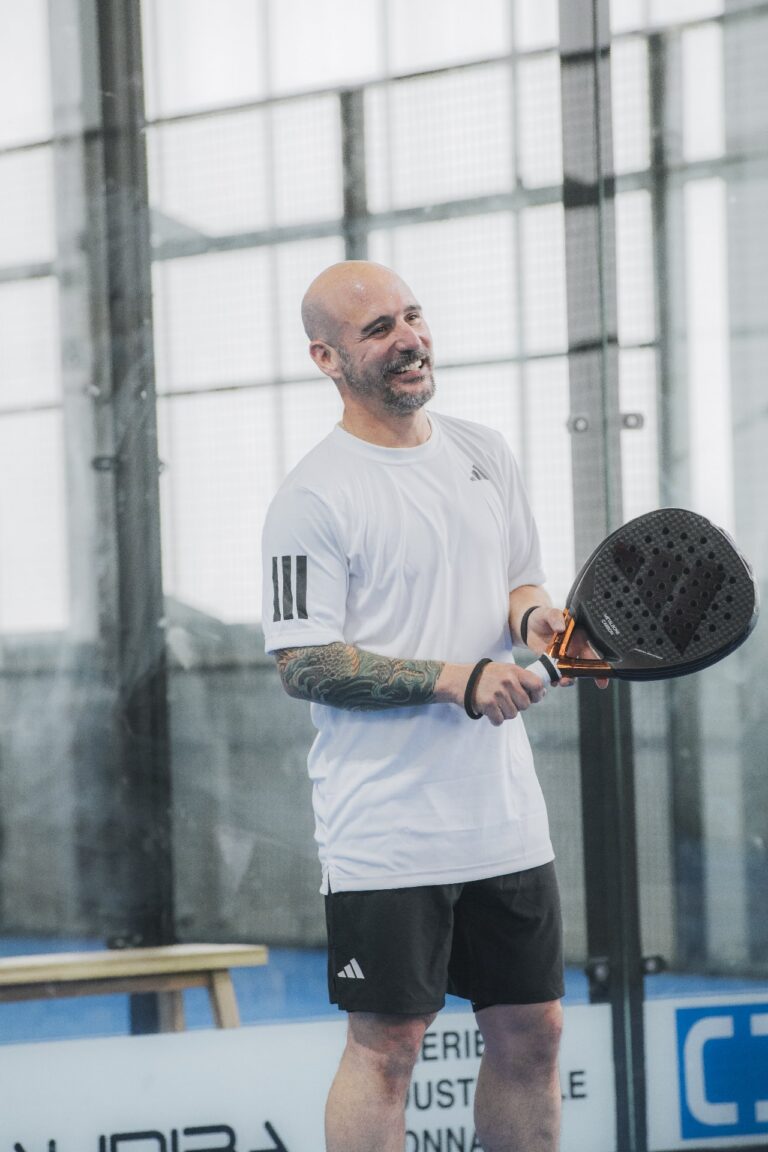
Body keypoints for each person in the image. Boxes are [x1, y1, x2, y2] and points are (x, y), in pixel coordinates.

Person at [261, 260, 605, 1152]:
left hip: (504, 819)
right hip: (386, 829)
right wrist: (457, 678)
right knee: (388, 1049)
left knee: (535, 1032)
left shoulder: (485, 451)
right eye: (378, 329)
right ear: (327, 358)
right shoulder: (311, 495)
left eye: (412, 317)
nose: (409, 339)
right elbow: (304, 662)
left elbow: (519, 581)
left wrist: (537, 621)